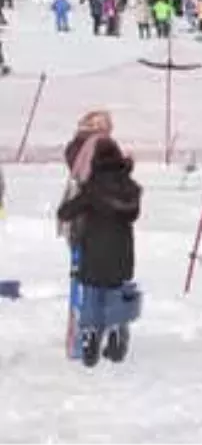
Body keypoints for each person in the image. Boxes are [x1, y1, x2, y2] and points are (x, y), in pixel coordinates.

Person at [56, 137, 142, 367]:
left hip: (93, 252)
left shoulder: (91, 189)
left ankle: (90, 337)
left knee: (92, 294)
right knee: (115, 291)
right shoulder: (131, 188)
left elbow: (64, 212)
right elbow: (133, 215)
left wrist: (79, 197)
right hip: (121, 253)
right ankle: (115, 331)